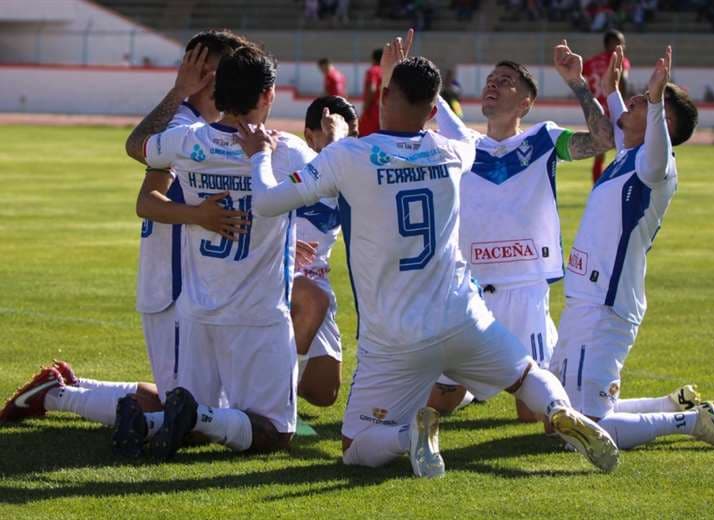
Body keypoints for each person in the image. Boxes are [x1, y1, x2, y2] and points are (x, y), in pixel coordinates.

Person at [239, 31, 619, 477]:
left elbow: (266, 202)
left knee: (354, 445)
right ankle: (557, 408)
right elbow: (457, 143)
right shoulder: (455, 151)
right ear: (435, 111)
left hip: (395, 334)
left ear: (385, 95)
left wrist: (259, 156)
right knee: (525, 374)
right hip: (463, 314)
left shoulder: (349, 156)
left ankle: (409, 435)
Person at [0, 31, 250, 435]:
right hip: (170, 285)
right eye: (226, 69)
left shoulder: (206, 126)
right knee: (186, 414)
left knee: (199, 406)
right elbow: (146, 192)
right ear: (205, 74)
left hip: (192, 285)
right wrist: (199, 215)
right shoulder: (182, 125)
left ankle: (67, 385)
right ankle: (55, 396)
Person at [121, 45, 348, 459]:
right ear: (267, 96)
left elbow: (137, 144)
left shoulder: (186, 141)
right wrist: (336, 139)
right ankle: (191, 418)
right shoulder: (285, 151)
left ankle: (152, 421)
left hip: (197, 312)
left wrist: (178, 93)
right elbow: (340, 182)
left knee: (209, 410)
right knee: (277, 432)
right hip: (257, 317)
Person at [549, 45, 714, 451]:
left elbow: (652, 141)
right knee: (558, 417)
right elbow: (621, 123)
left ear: (661, 122)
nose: (633, 101)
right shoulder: (630, 156)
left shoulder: (657, 165)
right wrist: (606, 88)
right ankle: (672, 403)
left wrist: (653, 99)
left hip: (606, 304)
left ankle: (689, 422)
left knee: (581, 429)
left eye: (646, 103)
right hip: (587, 298)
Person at [428, 40, 616, 421]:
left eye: (506, 81)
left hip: (525, 290)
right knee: (438, 404)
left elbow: (603, 140)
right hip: (471, 291)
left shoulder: (543, 139)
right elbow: (428, 99)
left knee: (533, 415)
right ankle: (474, 388)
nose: (493, 85)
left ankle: (492, 381)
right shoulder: (463, 144)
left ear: (526, 102)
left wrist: (579, 84)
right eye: (491, 80)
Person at [296, 95, 360, 406]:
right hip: (278, 279)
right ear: (309, 136)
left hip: (318, 278)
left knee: (324, 395)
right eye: (332, 130)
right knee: (313, 299)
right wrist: (278, 243)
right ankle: (263, 394)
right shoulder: (288, 163)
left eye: (351, 135)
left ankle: (272, 379)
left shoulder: (354, 173)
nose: (347, 142)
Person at [583, 29, 631, 183]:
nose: (623, 45)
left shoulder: (591, 62)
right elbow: (623, 81)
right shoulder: (619, 60)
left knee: (600, 153)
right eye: (621, 42)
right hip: (614, 109)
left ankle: (597, 186)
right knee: (626, 150)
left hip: (596, 111)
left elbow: (583, 81)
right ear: (612, 43)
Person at [358, 49, 383, 137]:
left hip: (372, 111)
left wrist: (366, 107)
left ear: (373, 59)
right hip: (384, 111)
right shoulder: (387, 71)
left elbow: (372, 88)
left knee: (364, 138)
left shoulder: (373, 71)